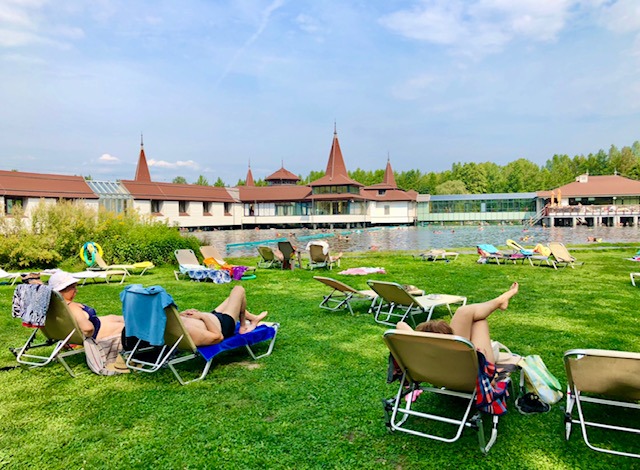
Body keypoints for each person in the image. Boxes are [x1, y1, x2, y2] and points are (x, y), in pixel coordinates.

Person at [397, 282, 519, 365]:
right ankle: (501, 300)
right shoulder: (458, 355)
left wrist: (420, 339)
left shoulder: (422, 356)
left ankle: (500, 301)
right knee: (476, 319)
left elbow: (400, 325)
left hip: (446, 371)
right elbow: (490, 381)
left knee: (468, 314)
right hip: (473, 375)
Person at [179, 285, 268, 347]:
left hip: (213, 317)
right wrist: (202, 317)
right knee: (239, 290)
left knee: (231, 300)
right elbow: (218, 337)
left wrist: (185, 314)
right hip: (224, 325)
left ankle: (253, 319)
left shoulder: (171, 322)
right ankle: (243, 326)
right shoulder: (189, 331)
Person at [48, 271, 125, 340]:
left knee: (114, 317)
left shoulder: (53, 306)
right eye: (73, 287)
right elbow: (87, 329)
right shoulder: (72, 307)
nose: (76, 291)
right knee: (130, 327)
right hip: (96, 334)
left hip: (93, 324)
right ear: (63, 289)